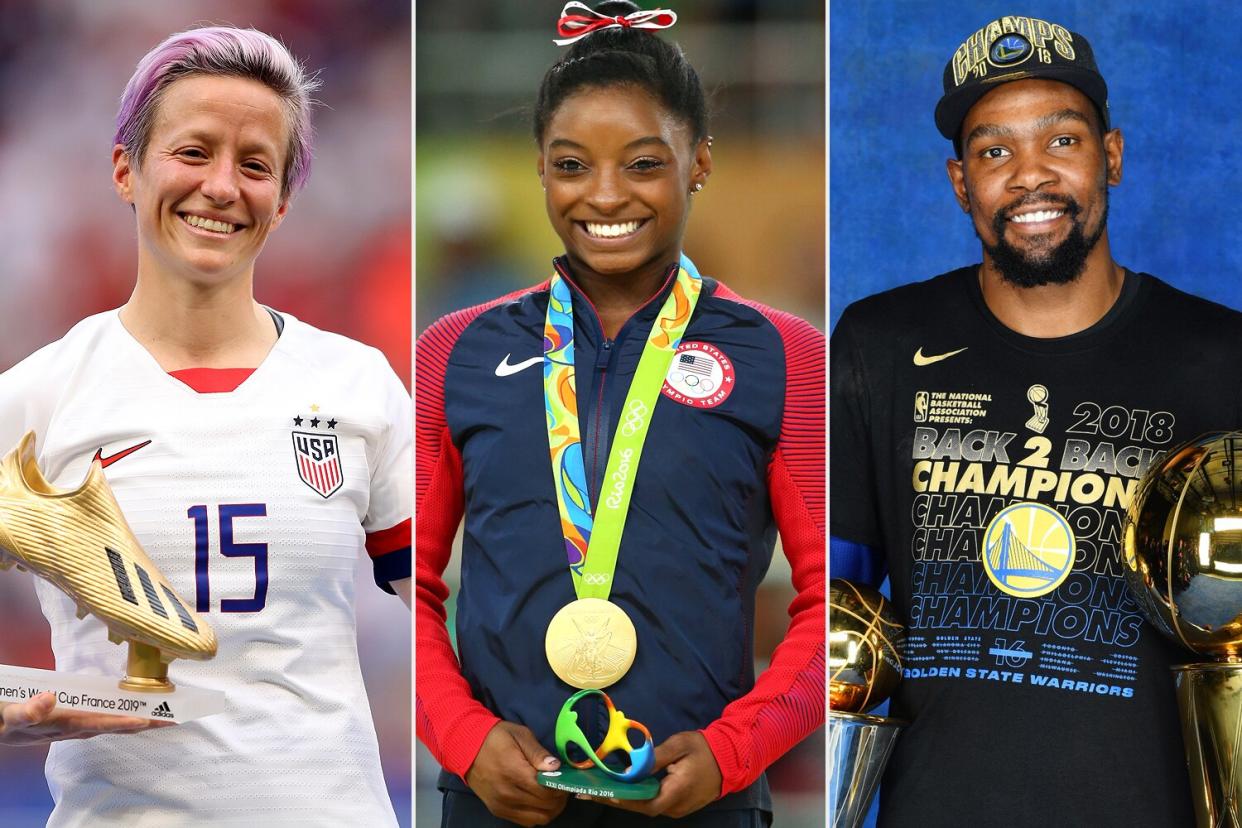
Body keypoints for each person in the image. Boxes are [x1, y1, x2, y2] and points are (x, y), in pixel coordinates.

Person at [415, 2, 825, 825]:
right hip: (497, 803)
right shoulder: (454, 351)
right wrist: (463, 738)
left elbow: (837, 600)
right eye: (572, 165)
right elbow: (403, 587)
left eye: (642, 164)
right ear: (538, 167)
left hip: (705, 804)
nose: (605, 196)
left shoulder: (785, 356)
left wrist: (733, 750)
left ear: (699, 161)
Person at [831, 15, 1242, 827]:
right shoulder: (880, 345)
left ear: (1111, 157)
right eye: (994, 151)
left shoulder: (1220, 358)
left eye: (1061, 142)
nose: (1029, 177)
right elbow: (831, 604)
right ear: (960, 181)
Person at [0, 26, 411, 826]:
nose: (222, 186)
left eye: (255, 164)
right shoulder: (35, 399)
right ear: (126, 169)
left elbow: (447, 607)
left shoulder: (357, 385)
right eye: (193, 152)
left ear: (283, 201)